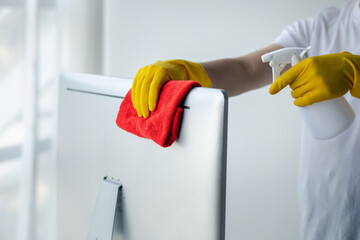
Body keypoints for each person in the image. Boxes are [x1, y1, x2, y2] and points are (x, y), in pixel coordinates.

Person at [131, 0, 360, 239]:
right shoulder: (323, 28)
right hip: (327, 219)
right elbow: (246, 70)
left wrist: (357, 72)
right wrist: (188, 72)